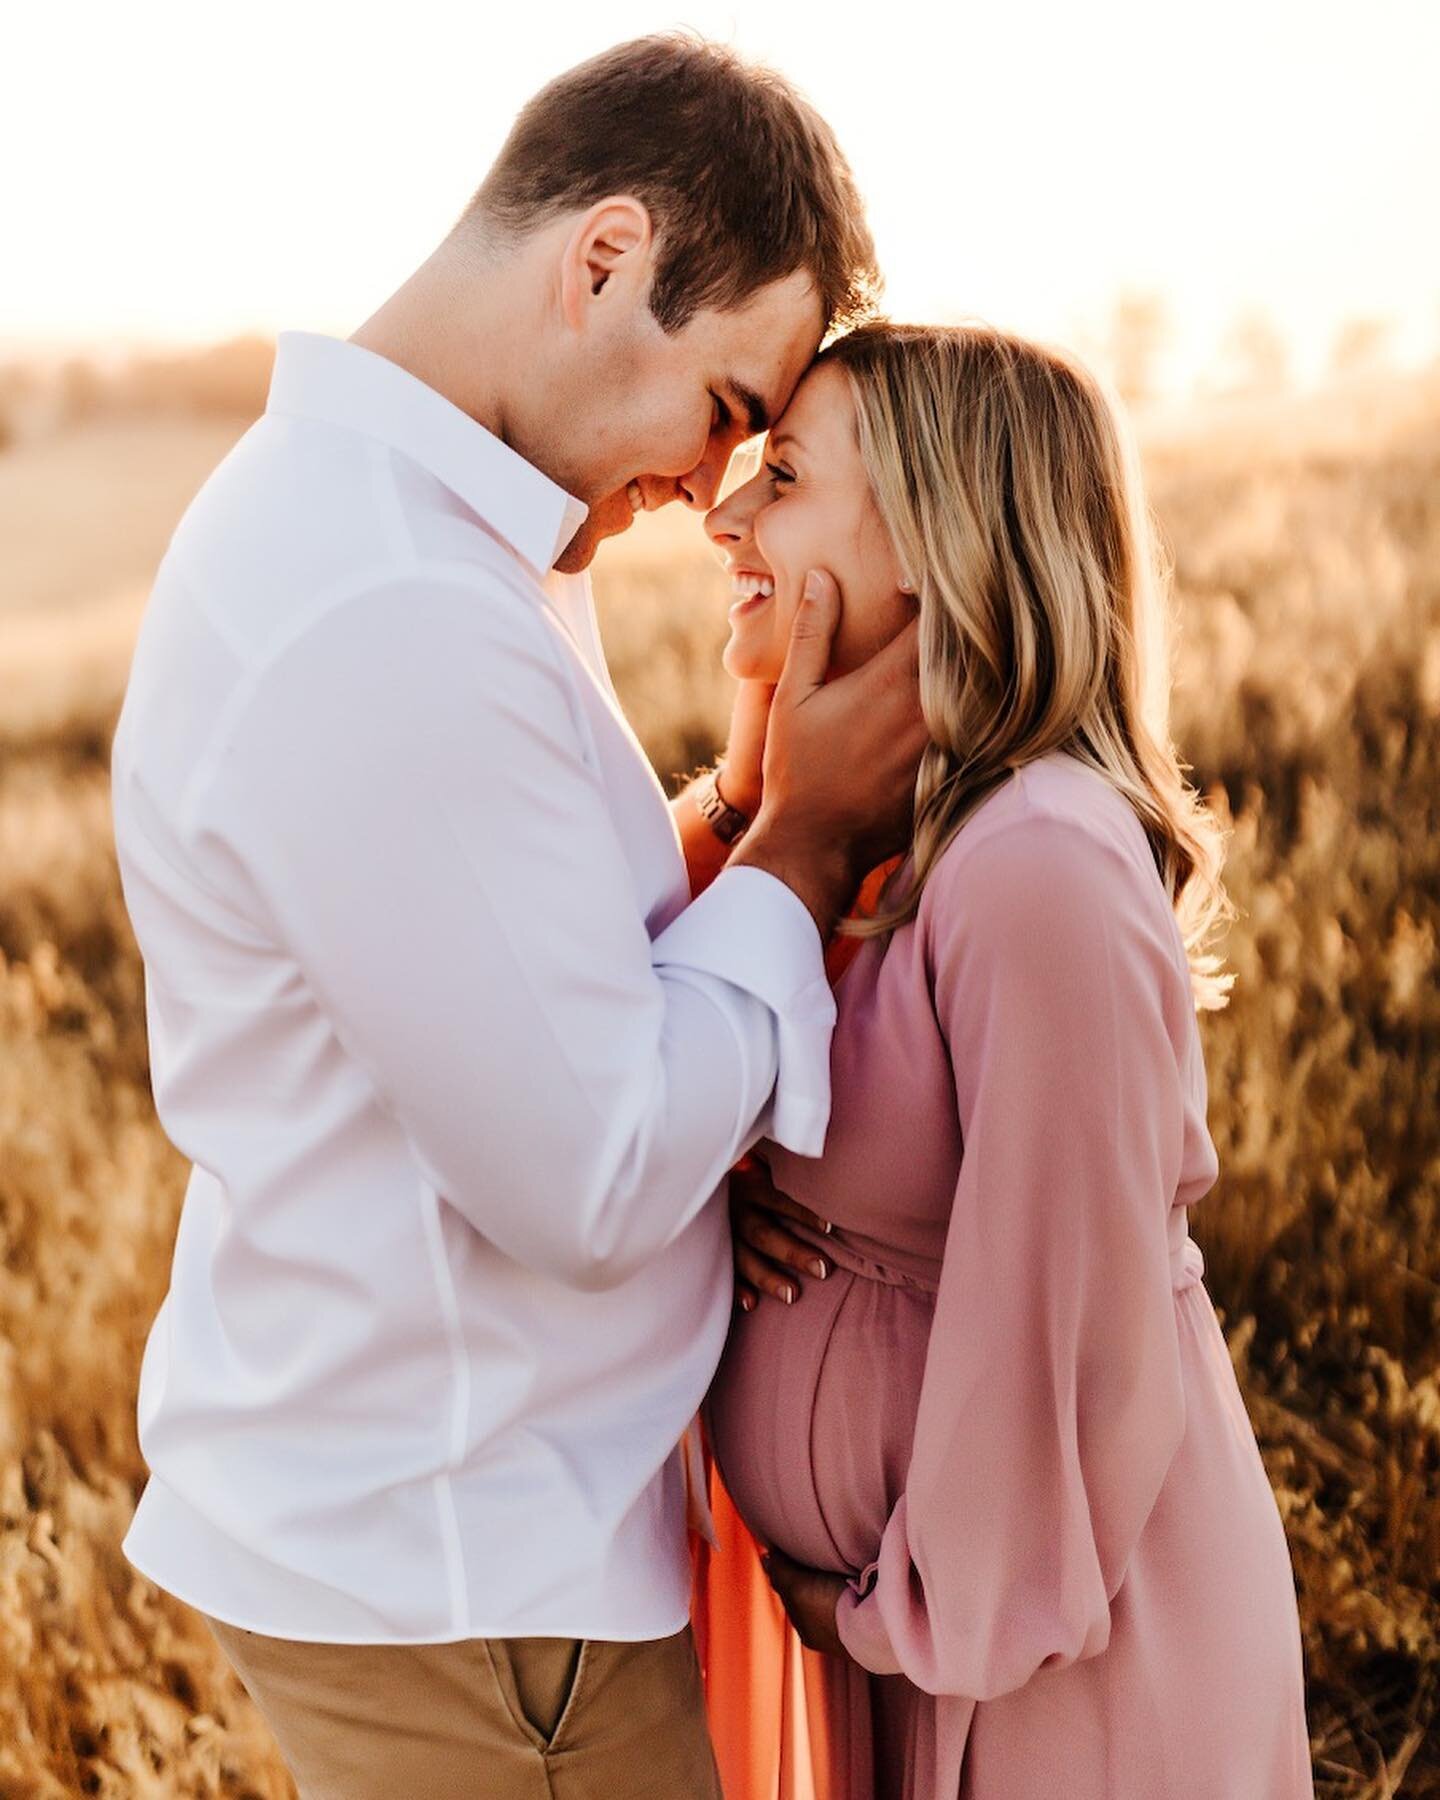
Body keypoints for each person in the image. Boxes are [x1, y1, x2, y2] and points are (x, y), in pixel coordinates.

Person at [109, 34, 929, 1799]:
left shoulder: (434, 539)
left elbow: (538, 975)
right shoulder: (384, 603)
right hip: (478, 1583)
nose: (714, 492)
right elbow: (592, 1169)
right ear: (603, 262)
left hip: (459, 1530)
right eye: (724, 407)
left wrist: (723, 834)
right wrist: (802, 843)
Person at [690, 320, 1316, 1798]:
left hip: (1065, 1675)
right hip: (920, 1659)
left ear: (935, 535)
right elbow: (629, 1050)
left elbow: (1068, 1332)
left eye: (780, 476)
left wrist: (890, 1615)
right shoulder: (868, 833)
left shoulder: (1036, 865)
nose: (723, 516)